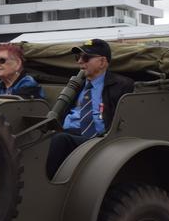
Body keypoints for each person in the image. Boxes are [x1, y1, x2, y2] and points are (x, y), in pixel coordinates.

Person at [46, 39, 134, 176]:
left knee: (59, 140)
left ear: (102, 62)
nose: (80, 61)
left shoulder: (121, 85)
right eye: (78, 57)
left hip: (98, 140)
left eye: (86, 58)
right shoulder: (76, 84)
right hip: (68, 133)